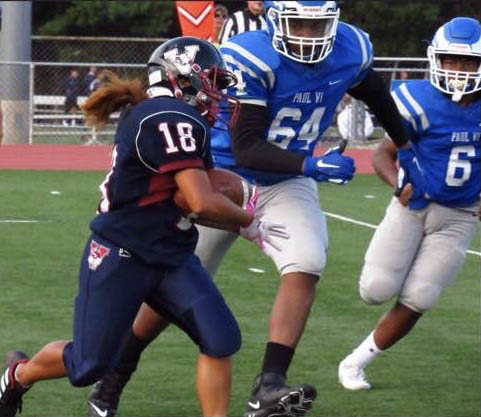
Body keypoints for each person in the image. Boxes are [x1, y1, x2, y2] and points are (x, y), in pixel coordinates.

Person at [87, 2, 413, 417]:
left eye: (319, 24)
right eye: (301, 23)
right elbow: (249, 146)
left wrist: (405, 146)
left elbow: (375, 93)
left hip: (285, 180)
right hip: (219, 176)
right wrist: (311, 164)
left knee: (307, 261)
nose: (310, 34)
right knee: (172, 290)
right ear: (277, 19)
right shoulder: (251, 55)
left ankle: (270, 384)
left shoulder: (351, 47)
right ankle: (113, 380)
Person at [0, 36, 288, 417]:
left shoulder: (172, 117)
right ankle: (16, 376)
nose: (217, 95)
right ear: (181, 76)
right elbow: (199, 201)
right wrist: (249, 219)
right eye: (212, 82)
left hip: (170, 253)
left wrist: (236, 208)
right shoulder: (167, 116)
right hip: (123, 252)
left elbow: (189, 198)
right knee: (88, 365)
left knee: (220, 338)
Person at [338, 16, 481, 392]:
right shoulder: (417, 99)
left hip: (460, 214)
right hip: (412, 207)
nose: (459, 69)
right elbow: (384, 154)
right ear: (436, 59)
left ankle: (356, 362)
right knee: (376, 289)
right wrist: (397, 182)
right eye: (451, 60)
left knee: (421, 295)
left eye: (468, 62)